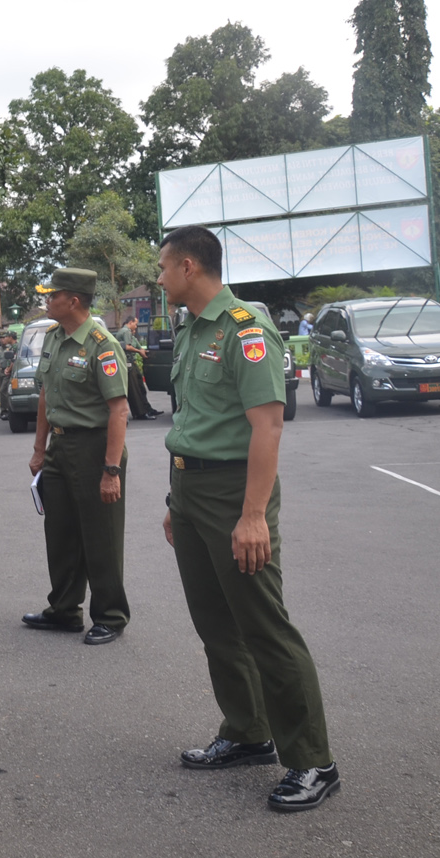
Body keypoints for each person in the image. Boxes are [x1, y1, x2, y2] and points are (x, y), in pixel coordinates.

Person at [157, 225, 339, 812]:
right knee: (216, 623)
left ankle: (314, 761)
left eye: (163, 268)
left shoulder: (246, 330)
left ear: (189, 267)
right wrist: (173, 500)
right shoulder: (191, 330)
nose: (158, 280)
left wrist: (253, 515)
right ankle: (248, 731)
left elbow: (268, 425)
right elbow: (193, 418)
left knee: (264, 626)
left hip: (235, 492)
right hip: (189, 488)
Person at [22, 269, 132, 645]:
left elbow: (119, 410)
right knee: (61, 533)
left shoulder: (102, 345)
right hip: (60, 447)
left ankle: (111, 615)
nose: (46, 301)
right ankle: (65, 609)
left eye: (52, 296)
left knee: (101, 536)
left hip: (95, 447)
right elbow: (45, 396)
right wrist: (40, 449)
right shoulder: (54, 337)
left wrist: (111, 470)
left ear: (73, 300)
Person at [116, 316, 161, 420]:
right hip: (127, 363)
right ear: (130, 322)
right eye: (135, 324)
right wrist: (139, 351)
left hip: (130, 362)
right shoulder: (126, 331)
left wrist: (140, 350)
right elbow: (127, 346)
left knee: (140, 387)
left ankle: (147, 409)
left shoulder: (126, 332)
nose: (136, 326)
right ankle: (140, 413)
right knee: (135, 390)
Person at [0, 331, 19, 421]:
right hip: (2, 371)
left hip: (8, 371)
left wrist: (9, 369)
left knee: (4, 391)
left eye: (4, 337)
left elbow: (13, 360)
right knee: (2, 392)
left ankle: (7, 410)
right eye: (0, 338)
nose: (2, 340)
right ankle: (3, 410)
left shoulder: (12, 347)